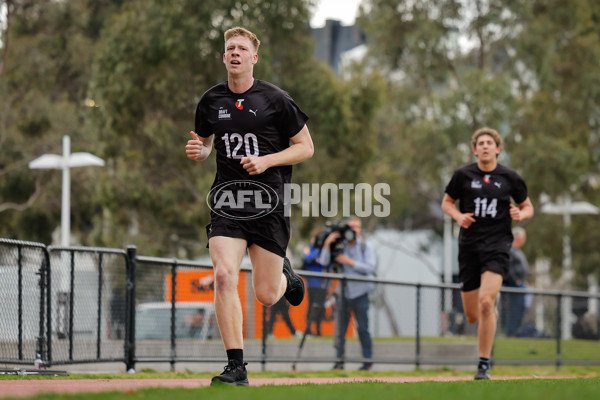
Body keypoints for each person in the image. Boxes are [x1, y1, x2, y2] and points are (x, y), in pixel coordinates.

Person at [185, 26, 314, 386]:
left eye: (242, 48)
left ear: (254, 58)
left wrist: (268, 160)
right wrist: (202, 151)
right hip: (227, 200)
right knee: (224, 275)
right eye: (230, 48)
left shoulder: (276, 99)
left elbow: (306, 147)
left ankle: (286, 276)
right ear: (224, 57)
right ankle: (236, 367)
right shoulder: (211, 101)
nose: (235, 53)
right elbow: (207, 143)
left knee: (267, 296)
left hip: (270, 204)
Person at [441, 127, 534, 380]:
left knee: (486, 302)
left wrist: (520, 214)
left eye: (489, 142)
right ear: (474, 149)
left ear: (497, 148)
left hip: (498, 246)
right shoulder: (462, 175)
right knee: (472, 314)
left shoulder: (509, 178)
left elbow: (528, 207)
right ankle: (486, 315)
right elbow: (447, 202)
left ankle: (484, 363)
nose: (484, 146)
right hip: (469, 247)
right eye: (480, 143)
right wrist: (458, 216)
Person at [319, 217, 376, 371]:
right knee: (340, 330)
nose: (355, 230)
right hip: (343, 293)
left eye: (358, 227)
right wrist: (327, 244)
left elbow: (370, 268)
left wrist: (349, 262)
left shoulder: (366, 246)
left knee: (363, 328)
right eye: (351, 227)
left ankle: (367, 362)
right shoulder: (339, 245)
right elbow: (324, 263)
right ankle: (339, 362)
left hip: (361, 293)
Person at [504, 227, 530, 337]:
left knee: (520, 309)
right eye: (523, 237)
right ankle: (511, 333)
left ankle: (516, 331)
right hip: (513, 286)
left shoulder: (517, 250)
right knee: (514, 310)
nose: (524, 240)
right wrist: (516, 281)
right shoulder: (510, 250)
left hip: (520, 286)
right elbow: (508, 268)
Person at [302, 228, 328, 336]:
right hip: (312, 284)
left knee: (321, 308)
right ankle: (308, 329)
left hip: (323, 284)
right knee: (311, 307)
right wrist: (317, 252)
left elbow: (326, 263)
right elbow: (307, 258)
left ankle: (318, 330)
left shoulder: (325, 250)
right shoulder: (309, 248)